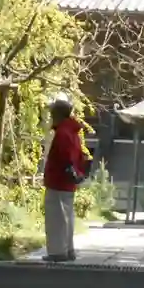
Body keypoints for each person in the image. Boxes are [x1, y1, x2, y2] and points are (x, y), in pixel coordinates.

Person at [42, 93, 89, 263]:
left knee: (56, 219)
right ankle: (68, 249)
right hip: (68, 183)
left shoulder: (62, 133)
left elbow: (65, 157)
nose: (51, 117)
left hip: (58, 181)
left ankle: (57, 251)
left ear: (58, 114)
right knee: (67, 217)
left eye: (52, 114)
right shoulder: (72, 132)